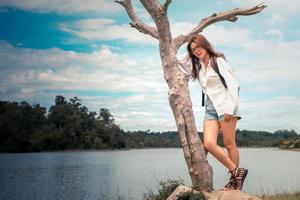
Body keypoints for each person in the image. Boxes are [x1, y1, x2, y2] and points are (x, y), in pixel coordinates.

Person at [177, 34, 248, 191]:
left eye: (198, 47)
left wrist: (230, 108)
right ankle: (237, 172)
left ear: (206, 45)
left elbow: (234, 84)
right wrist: (190, 46)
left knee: (229, 144)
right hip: (210, 107)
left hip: (225, 105)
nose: (196, 51)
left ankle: (234, 183)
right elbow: (181, 61)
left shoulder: (219, 61)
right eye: (193, 50)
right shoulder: (198, 66)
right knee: (208, 143)